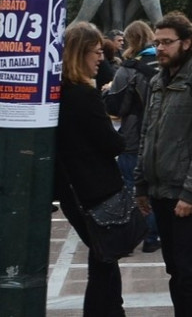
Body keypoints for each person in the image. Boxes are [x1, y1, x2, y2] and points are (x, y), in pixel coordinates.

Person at [135, 12, 192, 317]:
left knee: (189, 269)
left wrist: (191, 193)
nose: (160, 48)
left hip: (185, 191)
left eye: (166, 42)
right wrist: (141, 184)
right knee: (174, 267)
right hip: (160, 189)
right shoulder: (158, 80)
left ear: (186, 43)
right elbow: (147, 133)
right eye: (157, 42)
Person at [55, 21, 127, 316]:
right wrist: (120, 134)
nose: (101, 58)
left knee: (104, 258)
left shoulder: (59, 92)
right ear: (80, 53)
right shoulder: (84, 95)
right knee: (105, 258)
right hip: (94, 189)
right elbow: (111, 144)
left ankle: (110, 310)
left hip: (72, 188)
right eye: (96, 52)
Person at [104, 19, 161, 252]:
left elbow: (116, 107)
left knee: (132, 186)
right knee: (159, 185)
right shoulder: (167, 63)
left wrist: (107, 93)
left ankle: (139, 235)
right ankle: (155, 235)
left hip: (134, 134)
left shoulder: (128, 69)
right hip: (163, 135)